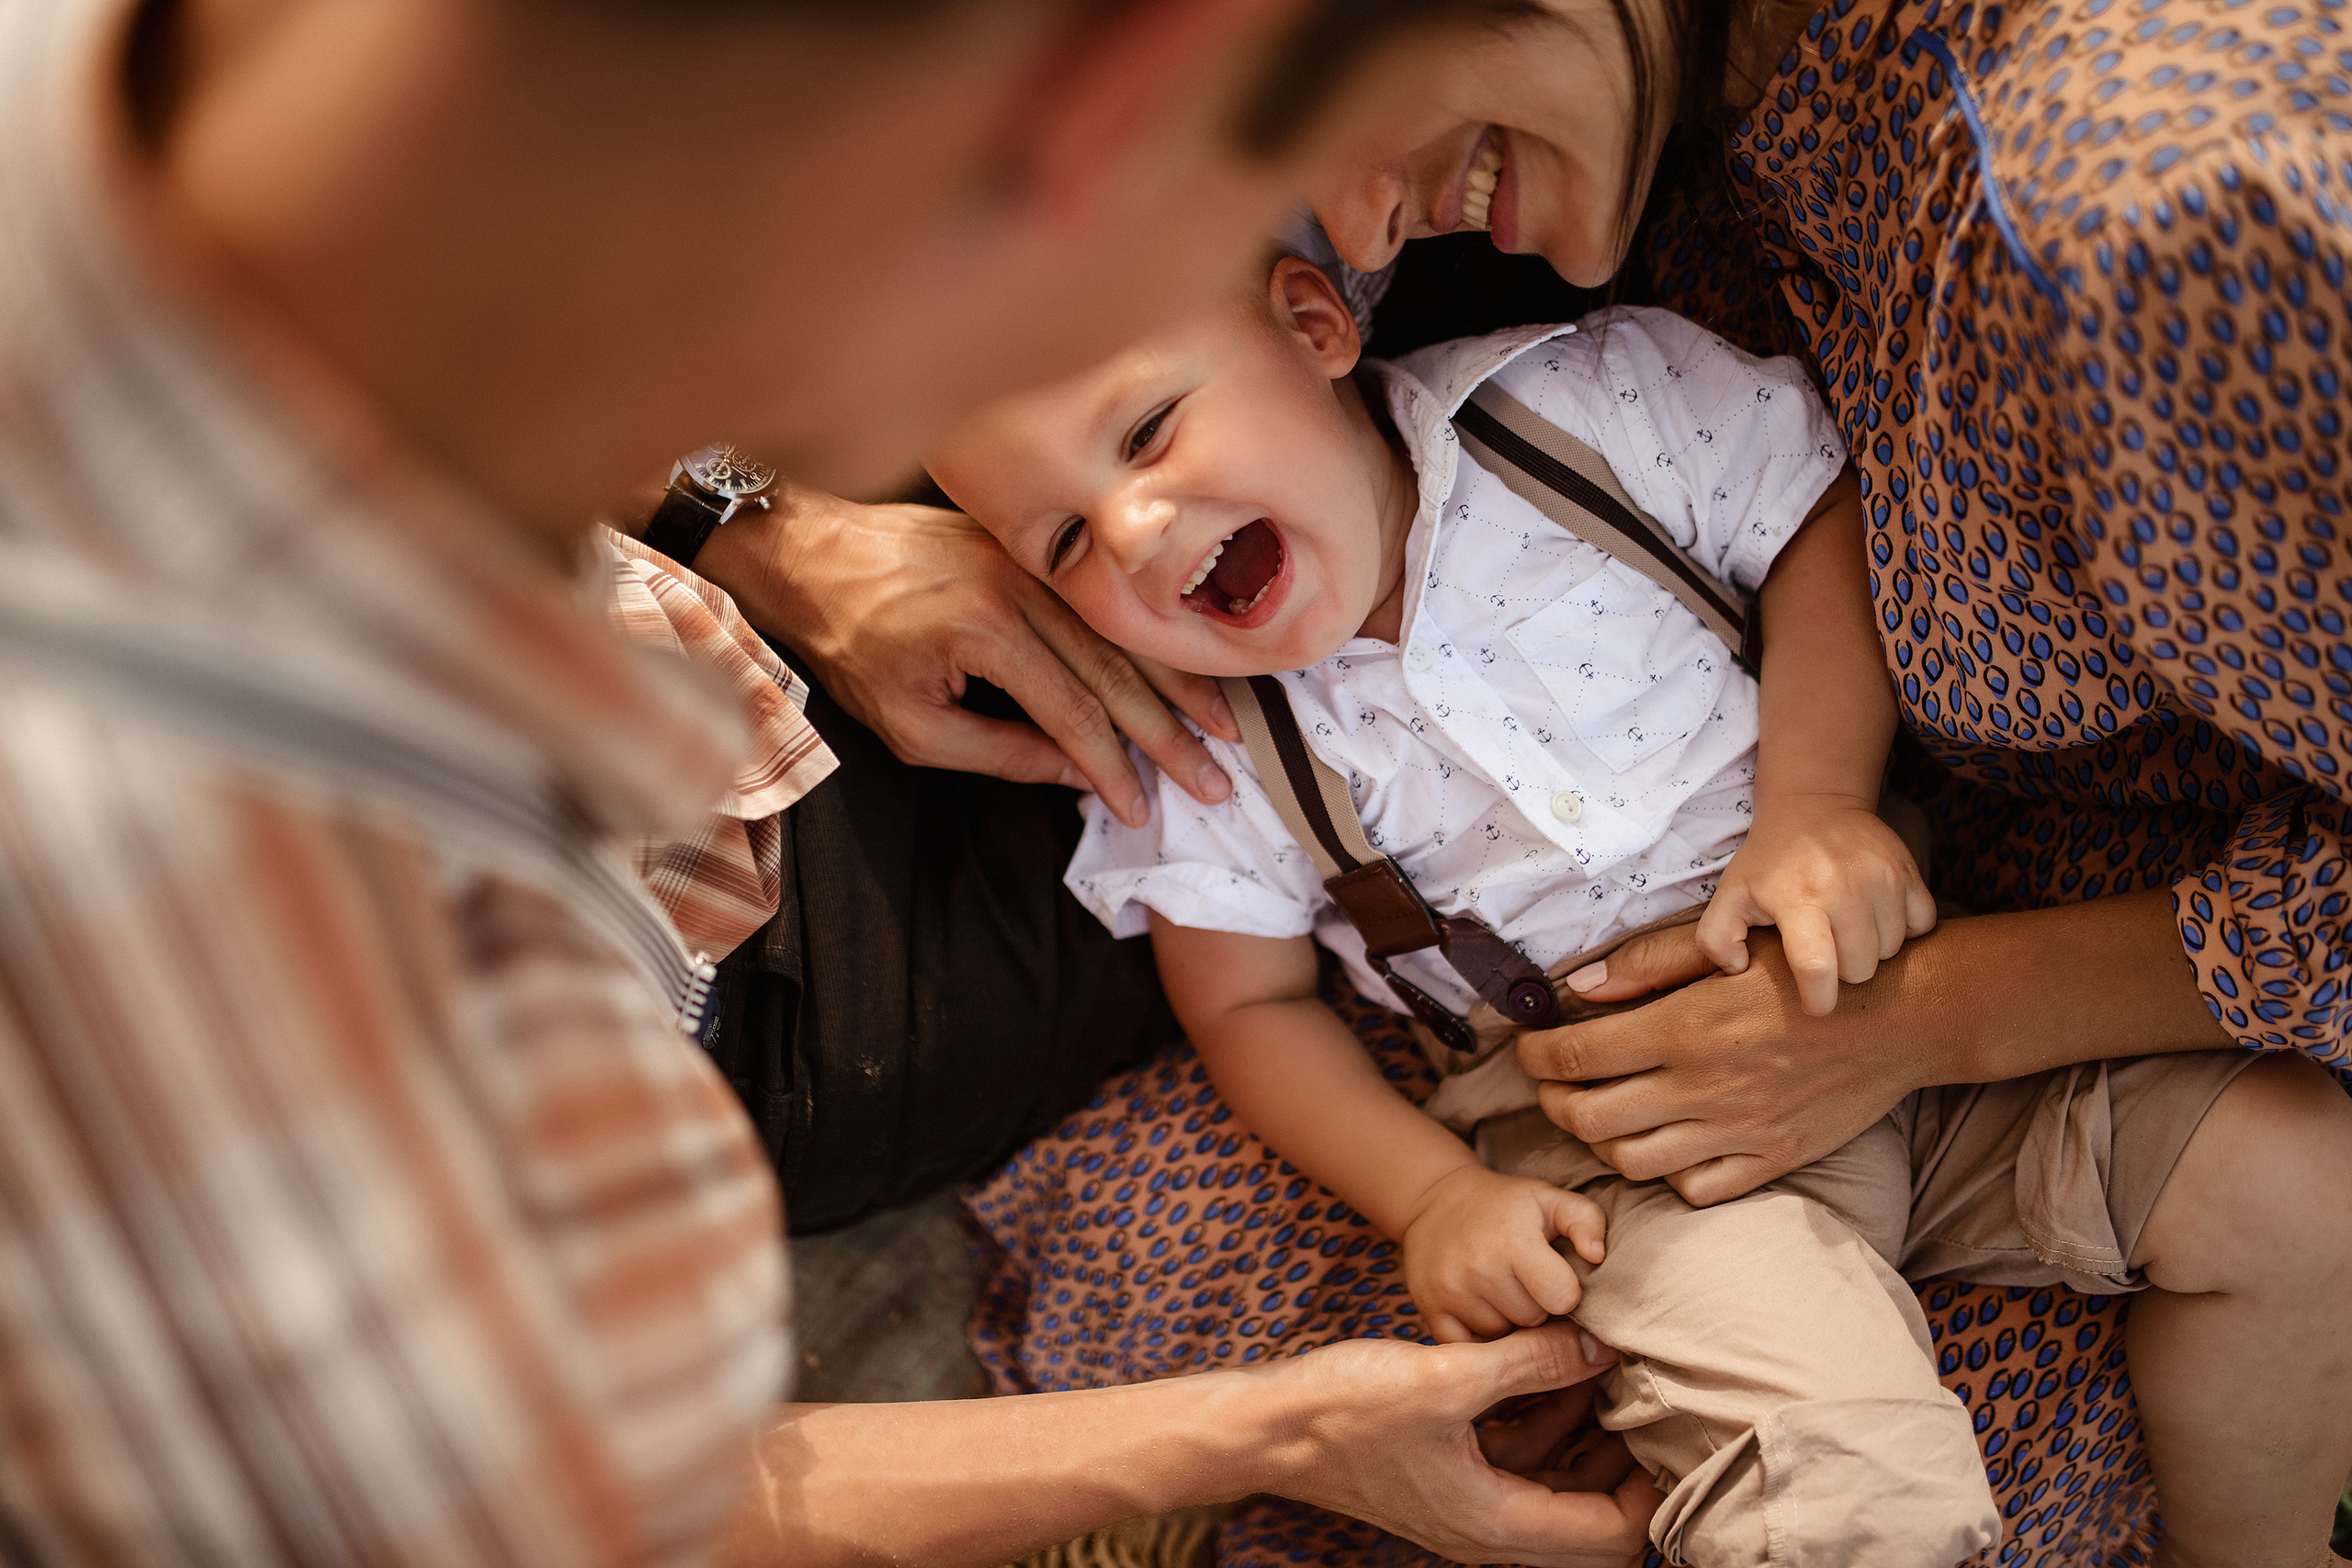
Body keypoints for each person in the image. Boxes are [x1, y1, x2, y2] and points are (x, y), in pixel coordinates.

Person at [0, 0, 1690, 1563]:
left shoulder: (242, 157)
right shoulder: (169, 1025)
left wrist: (755, 521)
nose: (1363, 232)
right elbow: (562, 1485)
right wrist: (1288, 1430)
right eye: (1062, 518)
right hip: (773, 996)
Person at [964, 1, 2352, 1563]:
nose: (1134, 532)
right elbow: (1251, 1009)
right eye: (1062, 543)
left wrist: (1817, 808)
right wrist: (1434, 1197)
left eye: (1150, 432)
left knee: (2293, 1173)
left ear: (1310, 328)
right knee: (1842, 1489)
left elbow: (1814, 519)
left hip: (1902, 991)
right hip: (1639, 1155)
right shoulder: (1204, 743)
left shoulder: (1583, 403)